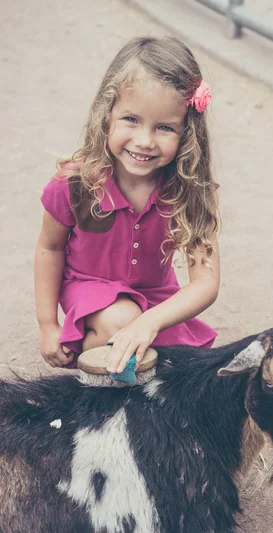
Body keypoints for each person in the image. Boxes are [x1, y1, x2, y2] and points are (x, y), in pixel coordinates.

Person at [34, 36, 220, 379]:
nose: (145, 141)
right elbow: (50, 246)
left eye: (165, 127)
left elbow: (205, 282)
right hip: (86, 287)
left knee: (174, 367)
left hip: (152, 296)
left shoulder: (188, 188)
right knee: (123, 326)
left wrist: (151, 320)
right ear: (107, 115)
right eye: (131, 119)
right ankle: (86, 349)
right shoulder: (74, 185)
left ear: (187, 133)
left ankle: (124, 344)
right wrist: (48, 324)